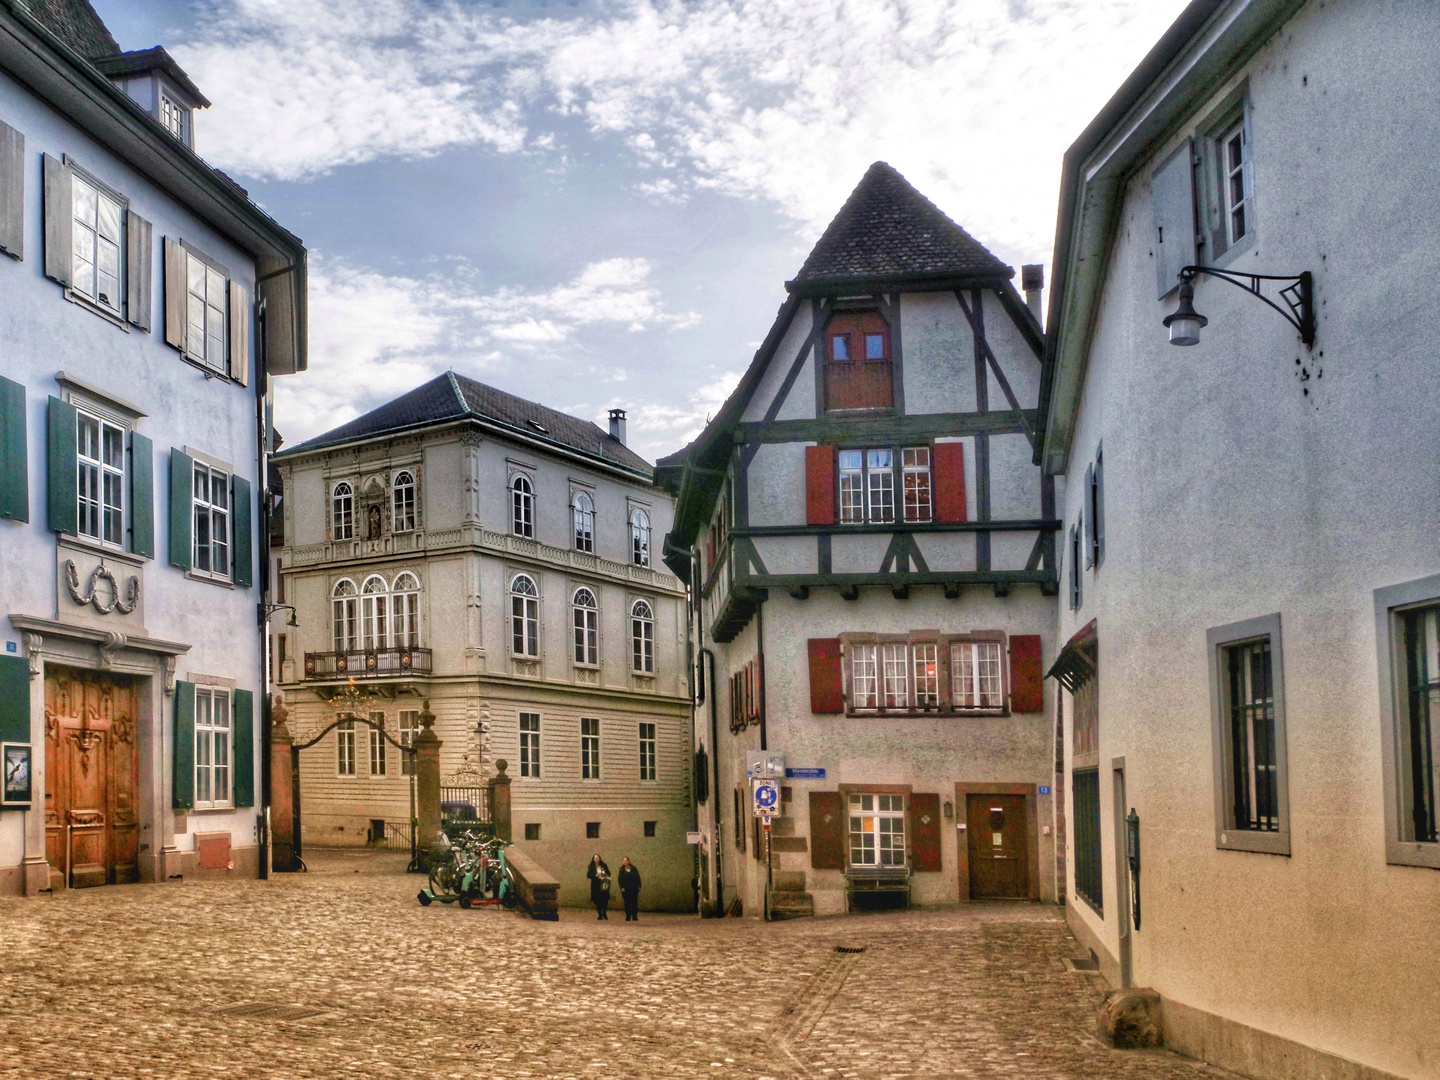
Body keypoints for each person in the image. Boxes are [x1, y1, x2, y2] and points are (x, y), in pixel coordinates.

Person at [586, 854, 611, 920]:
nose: (596, 859)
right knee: (598, 900)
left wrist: (605, 874)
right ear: (593, 859)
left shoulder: (604, 866)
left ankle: (604, 913)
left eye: (597, 857)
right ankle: (600, 914)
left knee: (604, 900)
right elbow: (588, 875)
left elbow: (609, 873)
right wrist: (595, 875)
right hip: (595, 885)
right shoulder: (591, 867)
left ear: (599, 858)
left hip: (603, 884)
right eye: (595, 858)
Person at [618, 857, 641, 921]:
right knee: (627, 903)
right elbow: (620, 879)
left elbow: (637, 877)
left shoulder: (634, 868)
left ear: (629, 861)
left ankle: (634, 916)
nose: (625, 862)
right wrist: (621, 887)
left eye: (626, 860)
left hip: (634, 888)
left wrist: (639, 886)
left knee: (634, 902)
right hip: (625, 889)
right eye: (624, 860)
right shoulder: (621, 869)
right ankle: (628, 916)